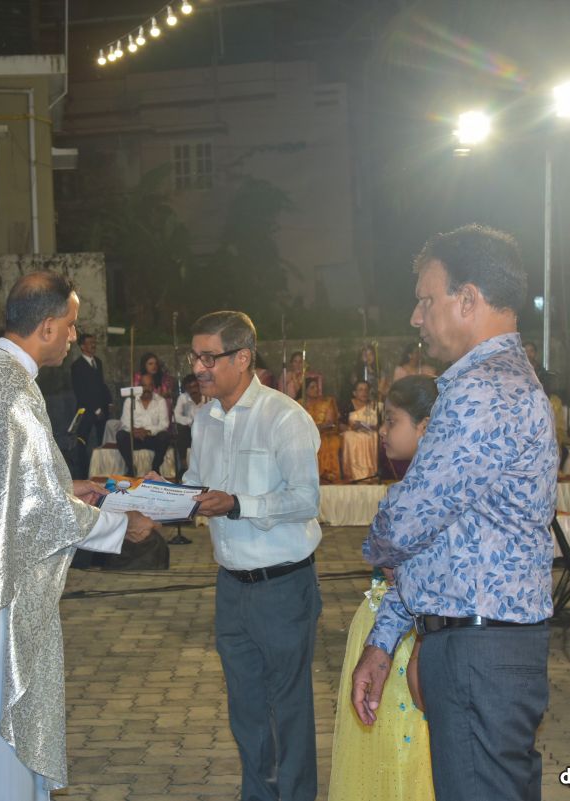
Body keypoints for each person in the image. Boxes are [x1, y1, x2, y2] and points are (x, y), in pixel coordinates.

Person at [0, 271, 155, 801]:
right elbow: (40, 513)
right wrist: (124, 525)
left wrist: (69, 485)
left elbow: (3, 485)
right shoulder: (11, 392)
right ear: (47, 327)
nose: (73, 336)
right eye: (71, 324)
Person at [352, 224, 555, 801]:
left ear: (467, 299)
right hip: (479, 642)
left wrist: (376, 541)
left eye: (425, 300)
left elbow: (407, 523)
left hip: (477, 652)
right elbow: (439, 543)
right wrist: (385, 638)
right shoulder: (493, 382)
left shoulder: (483, 389)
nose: (416, 317)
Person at [167, 310, 322, 801]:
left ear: (243, 358)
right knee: (247, 710)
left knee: (287, 709)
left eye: (208, 357)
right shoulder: (204, 418)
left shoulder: (285, 417)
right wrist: (157, 498)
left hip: (283, 586)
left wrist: (237, 504)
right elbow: (196, 486)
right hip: (231, 587)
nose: (198, 368)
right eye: (194, 357)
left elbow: (306, 500)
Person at [328, 375, 437, 801]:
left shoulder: (425, 500)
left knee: (405, 748)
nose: (383, 431)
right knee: (382, 753)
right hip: (378, 626)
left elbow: (407, 577)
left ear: (425, 427)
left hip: (404, 634)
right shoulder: (403, 491)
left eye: (392, 421)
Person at [70, 333, 114, 478]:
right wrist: (96, 409)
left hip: (102, 409)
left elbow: (101, 384)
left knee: (103, 441)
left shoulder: (98, 362)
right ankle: (83, 475)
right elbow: (81, 392)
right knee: (82, 442)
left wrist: (109, 401)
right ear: (82, 346)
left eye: (94, 342)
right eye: (90, 343)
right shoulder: (77, 366)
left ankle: (102, 472)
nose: (93, 345)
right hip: (86, 411)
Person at [115, 373, 172, 476]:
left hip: (152, 438)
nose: (147, 389)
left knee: (165, 436)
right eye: (144, 385)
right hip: (134, 438)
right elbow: (125, 423)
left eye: (150, 385)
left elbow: (164, 424)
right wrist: (134, 431)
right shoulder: (130, 401)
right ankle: (131, 469)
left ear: (153, 387)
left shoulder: (160, 401)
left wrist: (148, 431)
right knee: (121, 435)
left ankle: (155, 469)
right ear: (139, 386)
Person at [302, 378, 342, 483]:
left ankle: (328, 473)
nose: (316, 389)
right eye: (312, 387)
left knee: (329, 442)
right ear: (305, 390)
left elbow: (330, 422)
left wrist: (318, 427)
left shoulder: (327, 402)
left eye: (317, 387)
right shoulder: (299, 404)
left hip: (325, 432)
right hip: (305, 433)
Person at [341, 381, 382, 483]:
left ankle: (371, 473)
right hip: (352, 432)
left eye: (366, 390)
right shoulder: (348, 405)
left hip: (370, 432)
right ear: (354, 393)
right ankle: (353, 474)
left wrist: (372, 427)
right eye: (360, 390)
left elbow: (381, 425)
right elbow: (341, 424)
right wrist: (351, 427)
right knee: (349, 436)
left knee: (374, 436)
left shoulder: (374, 406)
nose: (364, 392)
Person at [173, 373, 206, 477]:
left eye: (195, 386)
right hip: (189, 432)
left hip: (205, 431)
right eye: (189, 388)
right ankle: (184, 465)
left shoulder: (207, 397)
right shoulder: (183, 398)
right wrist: (190, 421)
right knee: (181, 430)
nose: (193, 390)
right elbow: (175, 417)